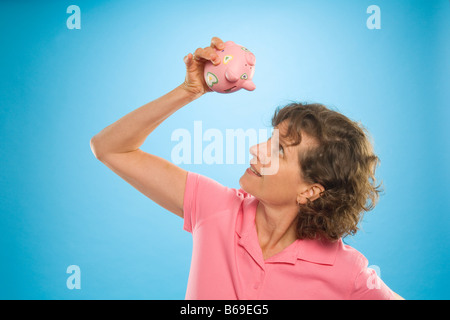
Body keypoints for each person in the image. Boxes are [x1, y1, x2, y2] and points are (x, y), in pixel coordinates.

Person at [90, 37, 403, 300]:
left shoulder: (347, 272)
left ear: (310, 190)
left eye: (279, 151)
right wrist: (190, 90)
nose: (256, 151)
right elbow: (109, 148)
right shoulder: (214, 208)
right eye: (270, 139)